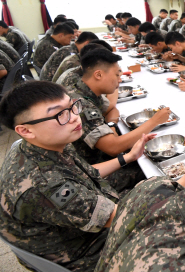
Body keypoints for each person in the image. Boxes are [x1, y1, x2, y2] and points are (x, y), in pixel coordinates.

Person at [0, 81, 157, 272]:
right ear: (25, 130)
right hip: (85, 252)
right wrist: (182, 184)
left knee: (145, 176)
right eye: (60, 114)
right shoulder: (44, 184)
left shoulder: (39, 144)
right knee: (174, 219)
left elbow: (87, 173)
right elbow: (122, 218)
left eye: (72, 107)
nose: (75, 118)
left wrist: (129, 157)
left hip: (76, 228)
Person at [67, 49, 171, 192]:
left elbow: (111, 109)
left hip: (95, 160)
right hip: (91, 173)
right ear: (98, 74)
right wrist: (154, 121)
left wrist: (111, 126)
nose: (120, 80)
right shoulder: (81, 104)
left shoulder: (86, 90)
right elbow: (114, 148)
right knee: (154, 169)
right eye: (117, 75)